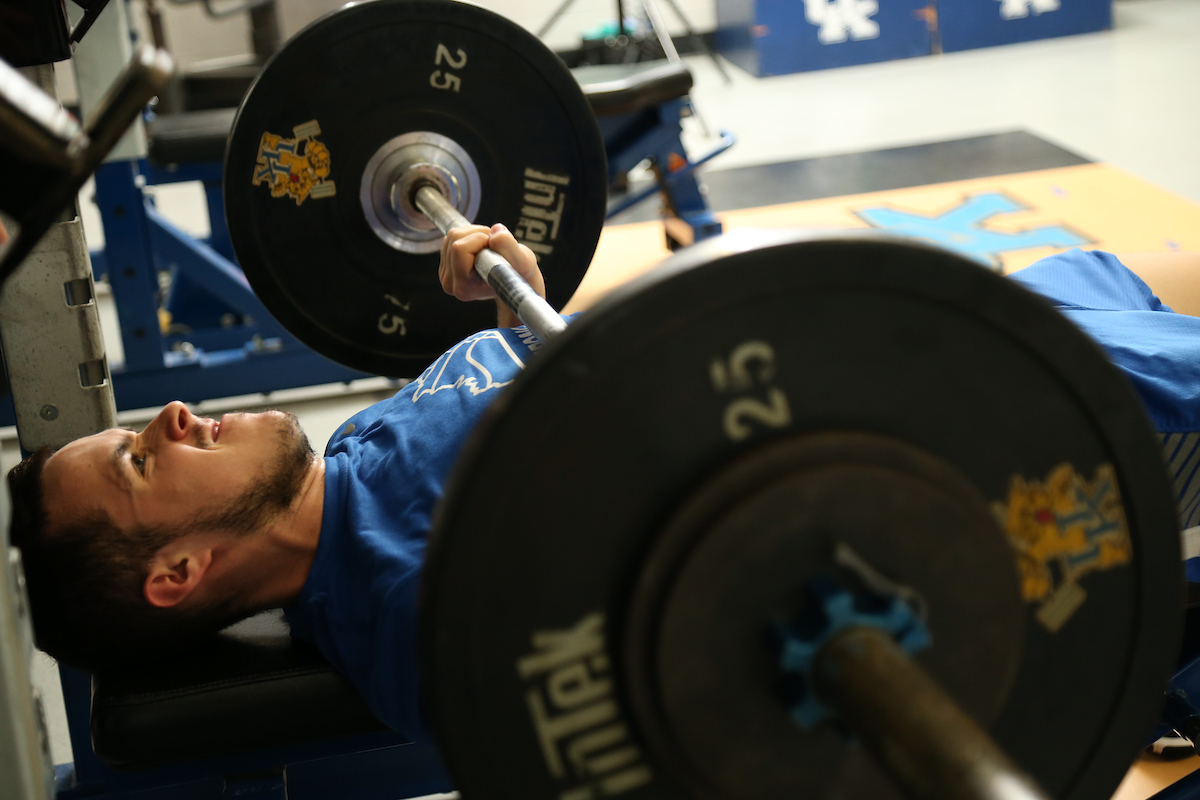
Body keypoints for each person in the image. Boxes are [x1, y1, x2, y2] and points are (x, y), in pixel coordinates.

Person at [7, 228, 1199, 742]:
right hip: (966, 460)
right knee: (1042, 328)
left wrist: (524, 296)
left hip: (936, 358)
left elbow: (590, 406)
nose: (165, 417)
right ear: (178, 570)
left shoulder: (341, 464)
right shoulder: (436, 609)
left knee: (1072, 280)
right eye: (138, 460)